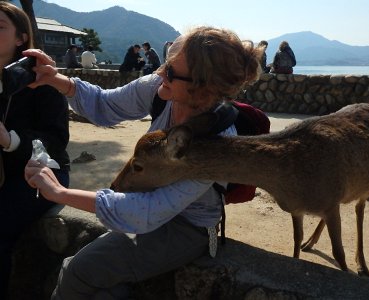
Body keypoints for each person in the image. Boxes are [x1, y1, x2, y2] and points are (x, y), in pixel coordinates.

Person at [24, 25, 262, 300]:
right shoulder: (163, 90)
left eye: (171, 71)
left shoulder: (218, 142)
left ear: (201, 88)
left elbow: (150, 210)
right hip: (149, 211)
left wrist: (59, 193)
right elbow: (105, 104)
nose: (161, 73)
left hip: (187, 227)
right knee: (99, 284)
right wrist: (55, 79)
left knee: (77, 270)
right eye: (165, 63)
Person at [0, 2, 70, 299]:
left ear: (21, 38)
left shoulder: (43, 79)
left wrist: (10, 140)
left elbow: (56, 143)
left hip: (40, 175)